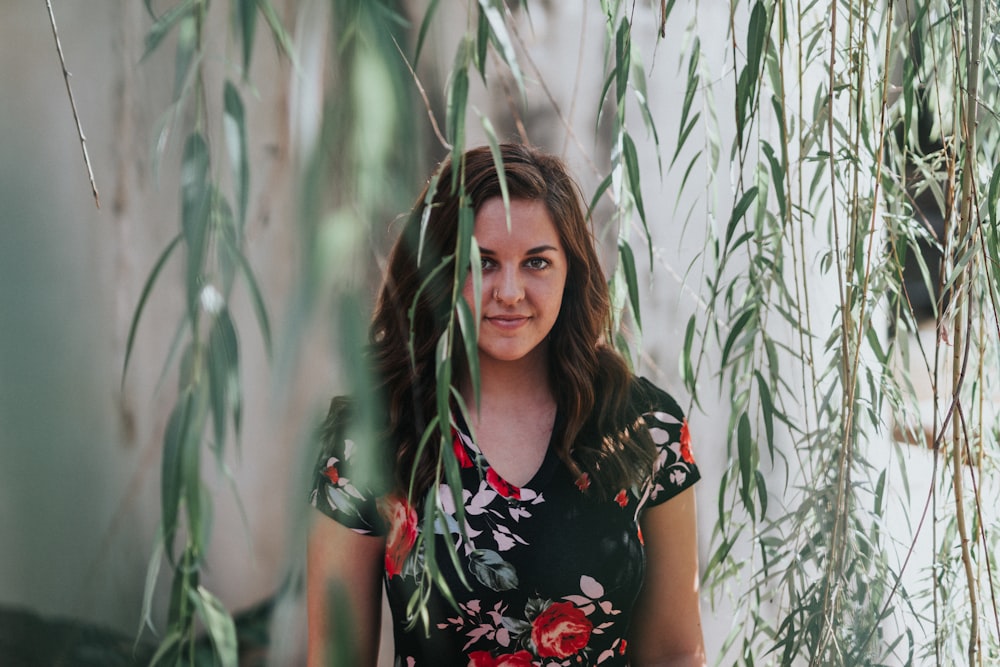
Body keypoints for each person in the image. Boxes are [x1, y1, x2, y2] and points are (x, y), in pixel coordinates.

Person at [307, 143, 706, 666]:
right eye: (482, 264)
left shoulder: (645, 429)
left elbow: (678, 652)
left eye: (536, 262)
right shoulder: (376, 434)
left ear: (572, 270)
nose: (511, 291)